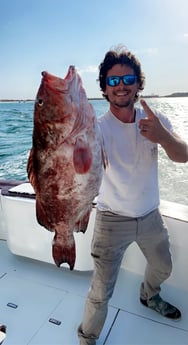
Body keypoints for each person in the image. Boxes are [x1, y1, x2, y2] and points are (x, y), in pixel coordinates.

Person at [78, 45, 188, 345]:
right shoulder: (96, 129)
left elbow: (184, 155)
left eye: (128, 79)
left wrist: (162, 136)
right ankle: (87, 338)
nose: (121, 86)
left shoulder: (156, 120)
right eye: (113, 81)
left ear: (139, 82)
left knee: (164, 265)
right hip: (111, 219)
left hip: (150, 215)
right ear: (104, 88)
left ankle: (149, 295)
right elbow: (72, 161)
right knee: (101, 291)